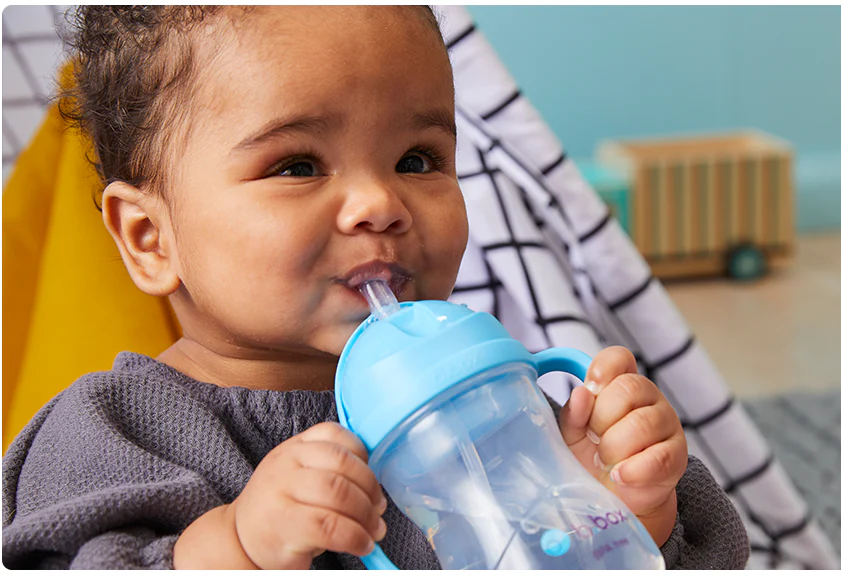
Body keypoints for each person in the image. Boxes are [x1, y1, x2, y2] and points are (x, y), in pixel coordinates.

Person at [1, 6, 749, 569]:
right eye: (298, 166)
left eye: (418, 159)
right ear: (149, 237)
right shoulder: (110, 429)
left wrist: (623, 510)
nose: (380, 204)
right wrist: (234, 546)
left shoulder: (501, 406)